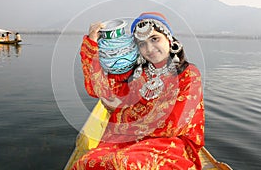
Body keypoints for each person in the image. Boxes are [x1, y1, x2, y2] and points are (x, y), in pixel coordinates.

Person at [73, 12, 204, 170]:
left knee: (125, 164)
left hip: (170, 143)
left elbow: (173, 124)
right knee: (86, 163)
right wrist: (92, 44)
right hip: (125, 141)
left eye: (154, 39)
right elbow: (100, 90)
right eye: (142, 44)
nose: (149, 48)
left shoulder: (188, 74)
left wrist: (122, 114)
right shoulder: (137, 74)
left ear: (169, 38)